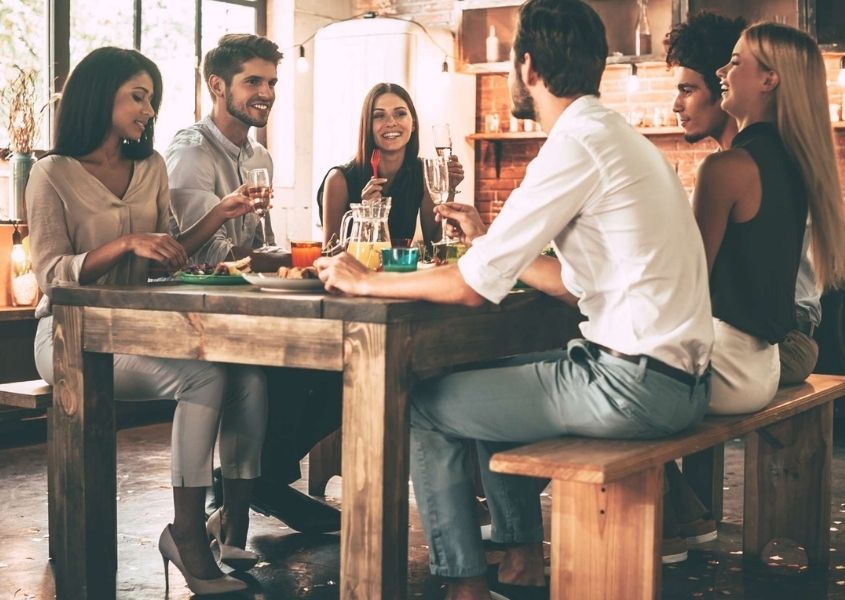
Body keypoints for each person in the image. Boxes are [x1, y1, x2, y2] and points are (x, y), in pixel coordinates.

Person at [315, 1, 714, 598]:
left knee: (420, 404)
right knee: (488, 374)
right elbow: (578, 283)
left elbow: (471, 290)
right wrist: (494, 249)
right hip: (680, 380)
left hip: (633, 386)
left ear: (526, 67)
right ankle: (522, 556)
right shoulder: (614, 136)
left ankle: (463, 581)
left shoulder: (571, 144)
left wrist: (365, 281)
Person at [27, 47, 267, 595]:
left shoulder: (150, 166)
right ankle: (186, 534)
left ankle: (233, 525)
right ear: (100, 95)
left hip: (140, 329)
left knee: (248, 373)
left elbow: (169, 252)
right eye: (138, 96)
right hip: (69, 339)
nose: (148, 110)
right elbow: (51, 276)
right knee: (206, 375)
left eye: (151, 100)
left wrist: (219, 215)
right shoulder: (51, 174)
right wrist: (124, 244)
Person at [165, 33, 341, 533]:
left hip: (248, 309)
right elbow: (201, 255)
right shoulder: (191, 155)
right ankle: (256, 483)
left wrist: (308, 258)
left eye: (271, 82)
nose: (266, 92)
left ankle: (258, 480)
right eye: (253, 82)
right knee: (290, 373)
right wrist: (291, 261)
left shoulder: (259, 155)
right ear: (217, 85)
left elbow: (258, 246)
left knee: (338, 371)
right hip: (200, 316)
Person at [703, 21, 845, 416]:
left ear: (770, 79)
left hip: (724, 372)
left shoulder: (728, 167)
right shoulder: (794, 166)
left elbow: (688, 283)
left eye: (734, 62)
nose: (721, 72)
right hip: (762, 369)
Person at [317, 82, 465, 245]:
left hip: (403, 269)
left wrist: (448, 189)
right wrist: (367, 218)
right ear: (368, 125)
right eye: (379, 116)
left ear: (413, 123)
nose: (391, 122)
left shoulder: (423, 173)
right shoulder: (338, 179)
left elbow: (435, 244)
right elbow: (331, 254)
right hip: (357, 270)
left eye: (400, 113)